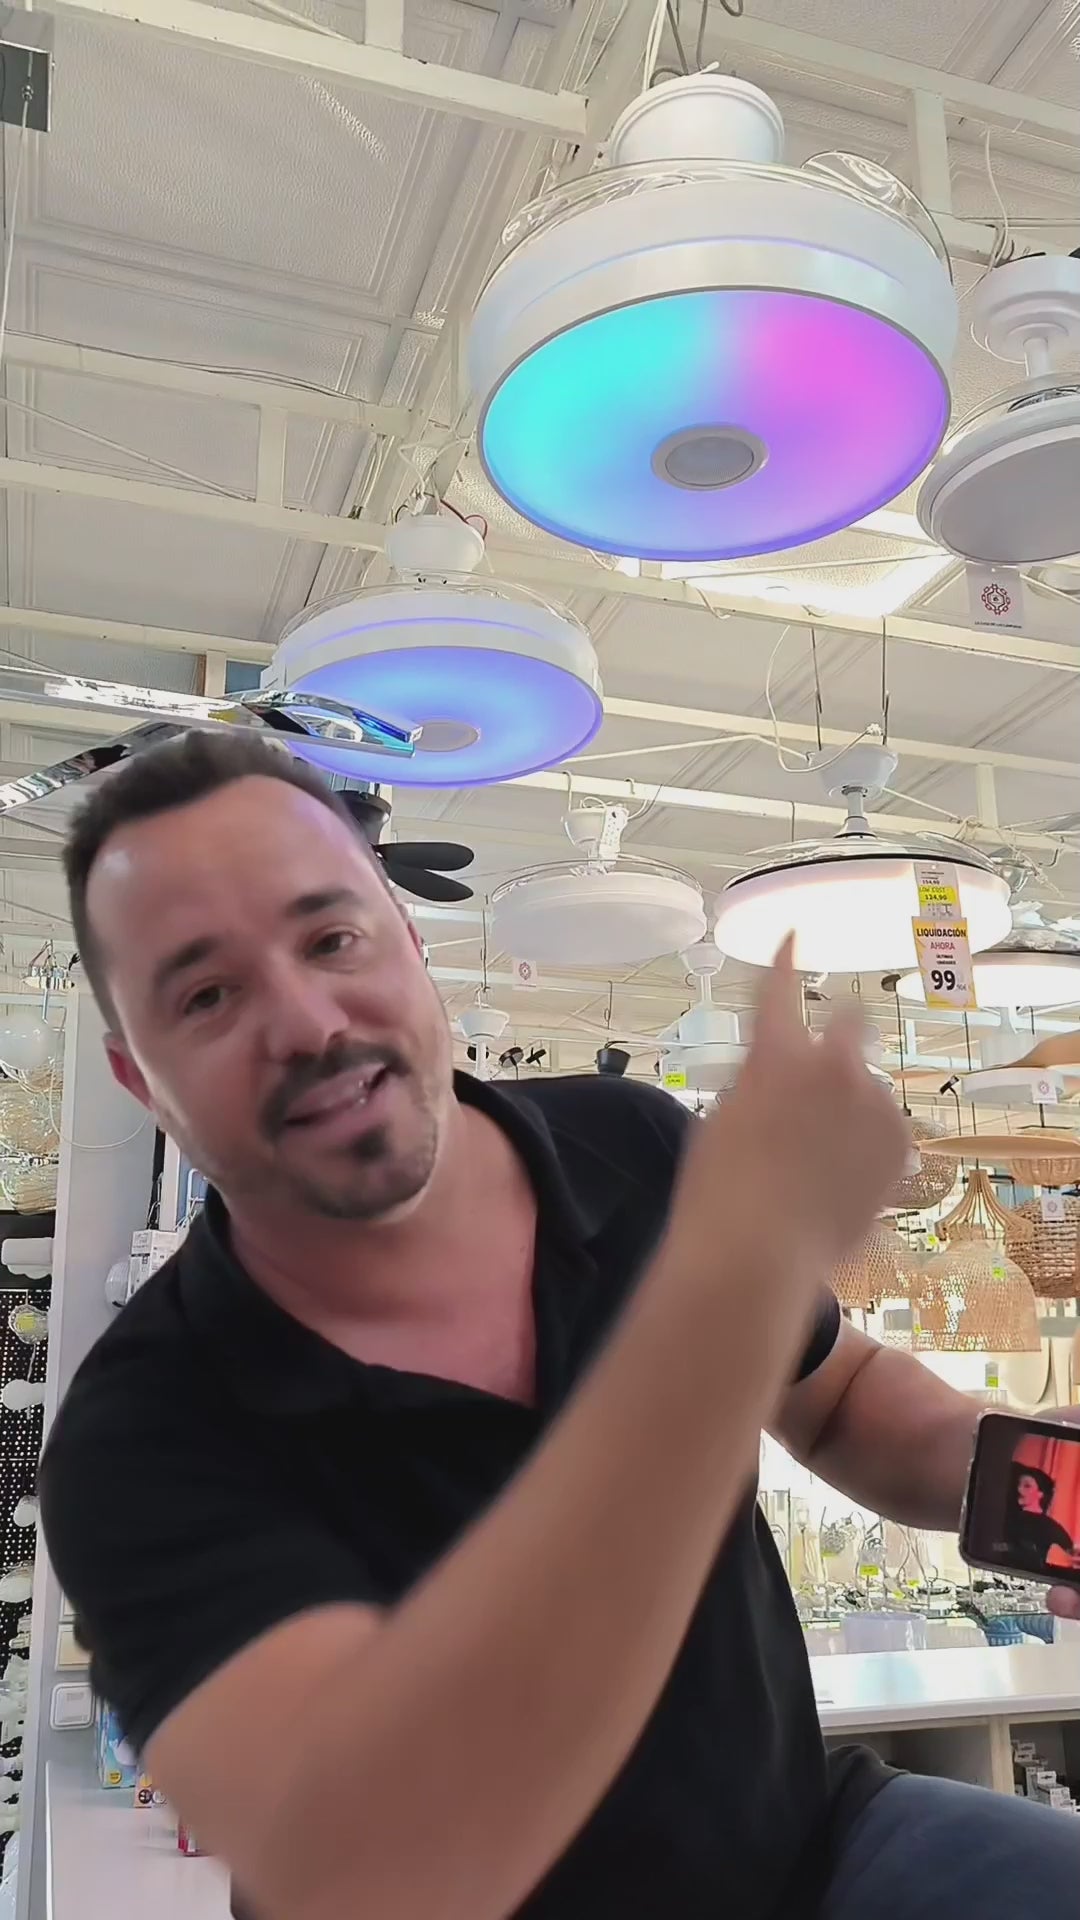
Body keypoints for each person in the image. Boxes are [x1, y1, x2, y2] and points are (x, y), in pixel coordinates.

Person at [40, 731, 1080, 1920]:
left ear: (409, 942)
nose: (308, 1021)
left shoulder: (630, 1144)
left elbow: (841, 1399)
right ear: (140, 1079)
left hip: (813, 1855)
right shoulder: (141, 1444)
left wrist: (1044, 1492)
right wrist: (718, 1323)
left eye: (331, 939)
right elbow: (370, 1865)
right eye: (207, 995)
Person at [1005, 1464, 1080, 1574]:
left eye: (1027, 1486)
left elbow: (1072, 1553)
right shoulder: (1007, 1516)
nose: (1019, 1489)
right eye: (1018, 1484)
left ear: (1041, 1493)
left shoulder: (1050, 1527)